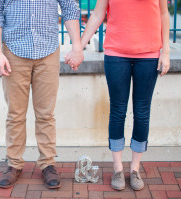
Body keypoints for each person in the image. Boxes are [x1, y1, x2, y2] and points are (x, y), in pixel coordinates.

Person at [65, 0, 170, 191]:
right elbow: (97, 15)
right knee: (118, 110)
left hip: (149, 55)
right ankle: (118, 168)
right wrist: (78, 47)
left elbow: (163, 14)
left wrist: (166, 52)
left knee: (142, 112)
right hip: (116, 54)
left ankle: (135, 169)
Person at [0, 0, 83, 189]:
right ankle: (14, 163)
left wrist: (77, 46)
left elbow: (70, 7)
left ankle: (47, 163)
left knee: (46, 114)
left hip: (48, 50)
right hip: (13, 50)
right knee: (15, 114)